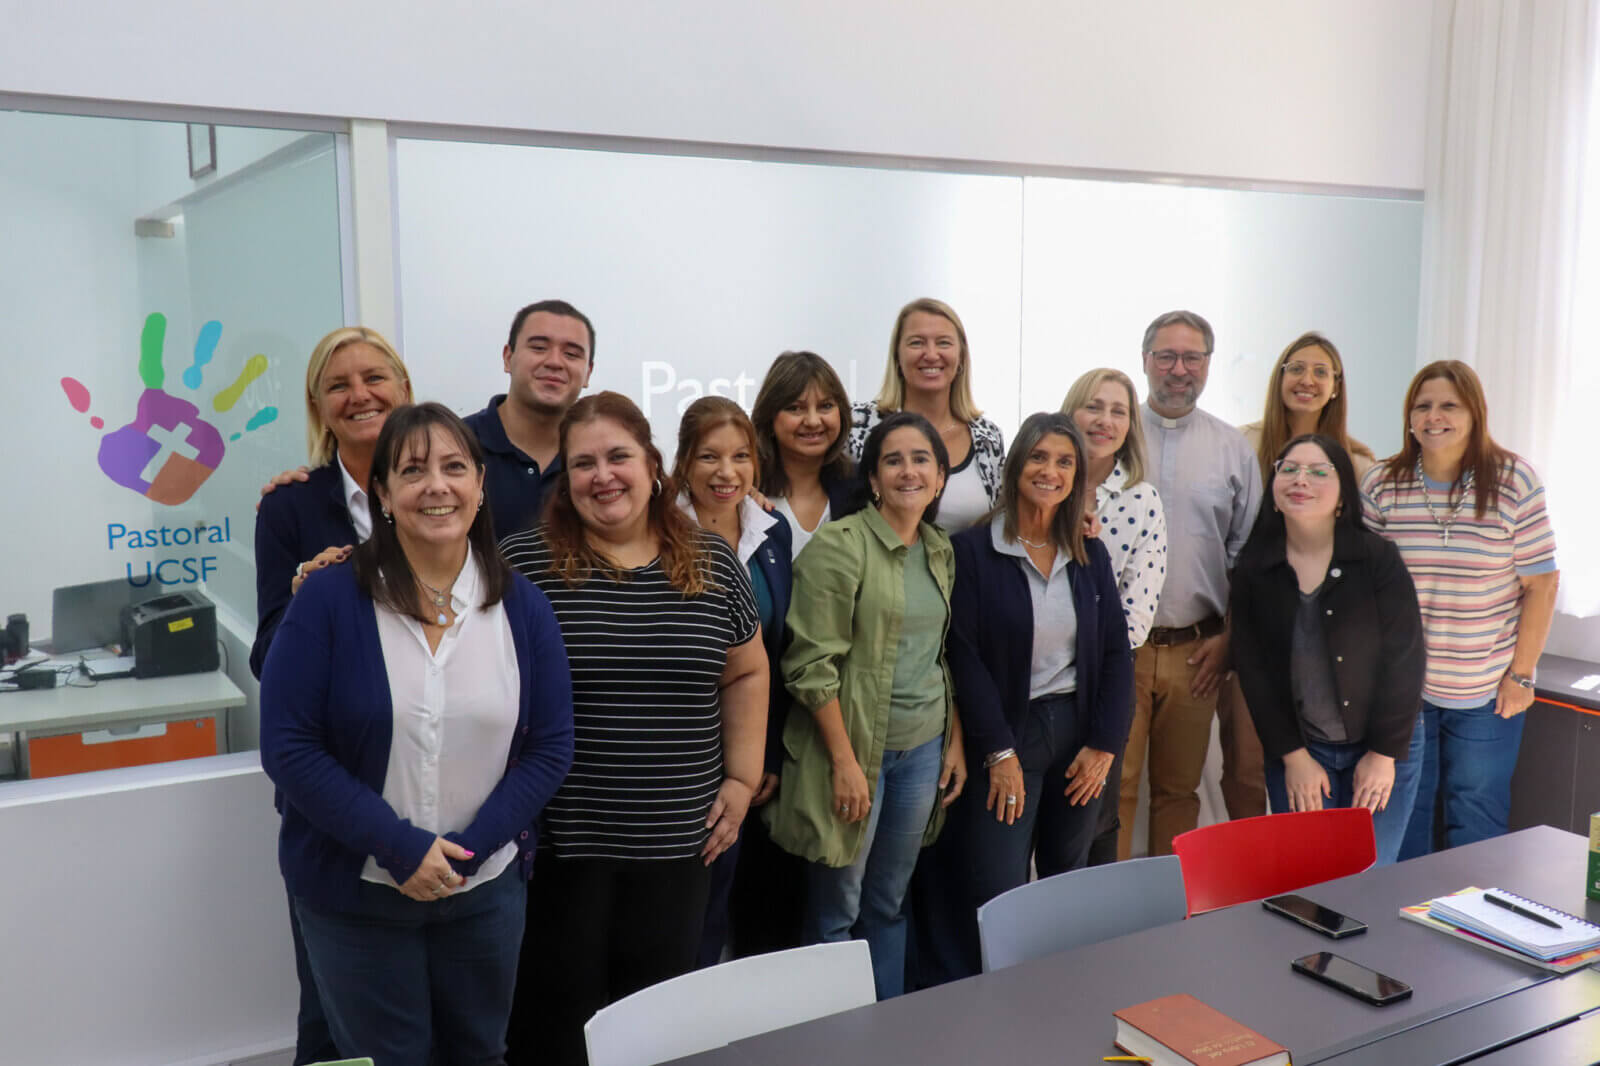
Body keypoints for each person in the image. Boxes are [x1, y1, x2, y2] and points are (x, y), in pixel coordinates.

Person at [259, 403, 575, 1066]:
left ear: (480, 485)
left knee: (479, 1054)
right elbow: (289, 746)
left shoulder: (522, 607)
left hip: (483, 892)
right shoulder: (327, 600)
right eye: (412, 470)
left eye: (455, 468)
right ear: (382, 493)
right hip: (356, 895)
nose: (437, 486)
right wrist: (400, 847)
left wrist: (467, 853)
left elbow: (549, 748)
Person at [500, 392, 767, 1066]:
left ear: (651, 465)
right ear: (565, 478)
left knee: (655, 1030)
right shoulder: (523, 566)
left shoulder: (713, 562)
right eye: (582, 463)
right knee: (557, 1030)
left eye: (618, 457)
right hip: (561, 851)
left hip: (681, 847)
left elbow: (746, 671)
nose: (603, 476)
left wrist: (741, 779)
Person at [912, 413, 1133, 985]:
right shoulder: (973, 551)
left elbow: (1116, 653)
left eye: (1064, 462)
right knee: (997, 889)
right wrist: (999, 751)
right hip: (1009, 735)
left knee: (1067, 881)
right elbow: (964, 657)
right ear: (1015, 466)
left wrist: (1105, 745)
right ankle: (988, 1004)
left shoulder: (1089, 553)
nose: (1050, 471)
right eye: (1038, 457)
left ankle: (1059, 998)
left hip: (1079, 737)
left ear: (1077, 475)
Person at [250, 324, 413, 1065]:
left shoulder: (450, 488)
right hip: (334, 793)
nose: (360, 395)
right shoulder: (289, 508)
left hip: (441, 786)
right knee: (329, 1011)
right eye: (338, 385)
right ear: (318, 406)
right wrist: (303, 600)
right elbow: (267, 655)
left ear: (404, 388)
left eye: (375, 377)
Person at [766, 411, 968, 1000]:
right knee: (838, 911)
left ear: (940, 477)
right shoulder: (840, 545)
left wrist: (954, 739)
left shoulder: (939, 549)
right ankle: (831, 1034)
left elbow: (940, 655)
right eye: (893, 460)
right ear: (874, 478)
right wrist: (846, 763)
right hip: (854, 754)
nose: (909, 471)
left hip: (922, 752)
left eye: (921, 459)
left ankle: (887, 1028)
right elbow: (809, 666)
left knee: (888, 902)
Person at [1361, 361, 1559, 856]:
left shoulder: (1514, 481)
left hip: (1488, 689)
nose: (1434, 416)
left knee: (1476, 816)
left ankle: (1472, 908)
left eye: (1449, 405)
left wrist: (1522, 675)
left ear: (1475, 413)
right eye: (1422, 406)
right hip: (1404, 691)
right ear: (1409, 417)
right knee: (1405, 817)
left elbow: (1541, 585)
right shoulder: (1383, 484)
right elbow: (1362, 590)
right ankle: (1407, 908)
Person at [1230, 435, 1425, 863]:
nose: (1301, 480)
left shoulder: (1377, 559)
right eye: (1289, 469)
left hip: (1382, 745)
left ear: (1342, 497)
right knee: (1309, 876)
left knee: (1368, 876)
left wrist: (1382, 756)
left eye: (1319, 472)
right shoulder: (1254, 569)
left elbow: (1405, 660)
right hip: (1300, 747)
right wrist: (1294, 758)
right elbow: (1256, 674)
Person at [1120, 310, 1262, 859]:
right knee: (1114, 788)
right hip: (1120, 650)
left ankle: (1168, 905)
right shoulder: (1114, 435)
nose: (1179, 369)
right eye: (1166, 356)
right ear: (1145, 360)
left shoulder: (1232, 449)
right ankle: (1106, 908)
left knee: (1179, 794)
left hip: (1196, 654)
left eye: (1192, 357)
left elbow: (1247, 558)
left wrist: (1229, 638)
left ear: (1207, 363)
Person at [671, 396, 796, 964]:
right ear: (683, 462)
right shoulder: (655, 526)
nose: (727, 472)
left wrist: (765, 755)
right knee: (678, 913)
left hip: (746, 753)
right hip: (676, 753)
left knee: (727, 905)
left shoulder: (772, 532)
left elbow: (775, 652)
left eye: (741, 456)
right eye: (709, 457)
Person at [1060, 368, 1168, 866]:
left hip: (1101, 682)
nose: (1105, 420)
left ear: (1130, 425)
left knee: (1092, 819)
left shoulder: (1142, 499)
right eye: (1093, 406)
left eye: (1118, 411)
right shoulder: (1040, 478)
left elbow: (1135, 618)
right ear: (1070, 412)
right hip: (1028, 684)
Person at [849, 299, 1005, 531]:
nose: (931, 355)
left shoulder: (988, 438)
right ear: (897, 356)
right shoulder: (858, 425)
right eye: (917, 343)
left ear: (961, 356)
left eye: (943, 343)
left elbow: (999, 523)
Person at [464, 299, 596, 539]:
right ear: (508, 357)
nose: (554, 362)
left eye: (571, 354)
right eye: (539, 348)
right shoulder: (457, 443)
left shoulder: (599, 459)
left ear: (588, 372)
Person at [750, 350, 856, 558]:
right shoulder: (745, 490)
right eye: (795, 408)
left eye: (825, 406)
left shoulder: (860, 489)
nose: (813, 421)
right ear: (769, 417)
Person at [1240, 331, 1377, 487]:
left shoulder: (1359, 464)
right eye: (1296, 369)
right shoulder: (1242, 444)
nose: (1307, 381)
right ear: (1280, 378)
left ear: (1336, 387)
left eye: (1320, 372)